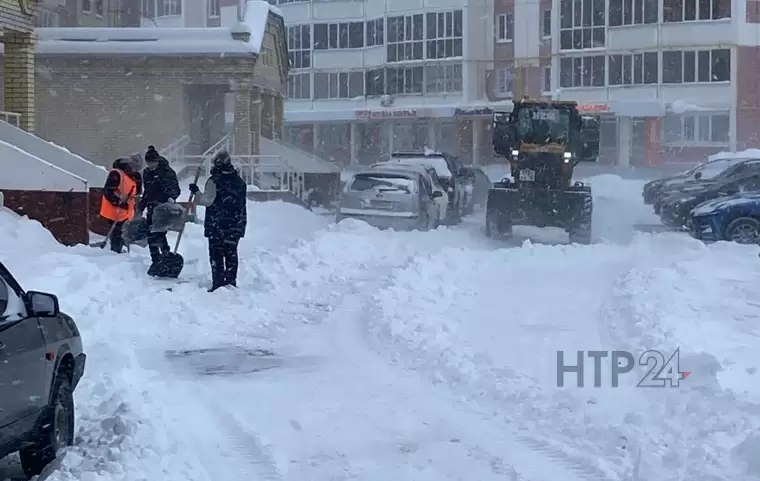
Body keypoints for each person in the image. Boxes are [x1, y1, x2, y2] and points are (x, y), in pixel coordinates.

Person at [189, 150, 247, 292]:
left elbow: (207, 201)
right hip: (235, 223)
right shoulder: (239, 181)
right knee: (231, 253)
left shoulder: (214, 181)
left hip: (218, 224)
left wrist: (196, 192)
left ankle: (219, 282)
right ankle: (231, 281)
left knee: (217, 255)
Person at [137, 145, 181, 276]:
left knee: (158, 234)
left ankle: (165, 258)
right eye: (149, 163)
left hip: (164, 209)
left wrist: (171, 197)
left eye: (153, 163)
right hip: (152, 207)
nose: (150, 165)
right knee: (152, 235)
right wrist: (141, 206)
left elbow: (175, 190)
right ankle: (157, 260)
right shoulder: (147, 173)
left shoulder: (167, 172)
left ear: (157, 161)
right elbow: (147, 192)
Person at [99, 158, 138, 253]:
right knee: (117, 231)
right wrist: (117, 202)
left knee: (120, 231)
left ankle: (117, 249)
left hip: (123, 209)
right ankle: (116, 251)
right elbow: (108, 191)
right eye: (128, 165)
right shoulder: (116, 174)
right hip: (116, 209)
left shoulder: (126, 176)